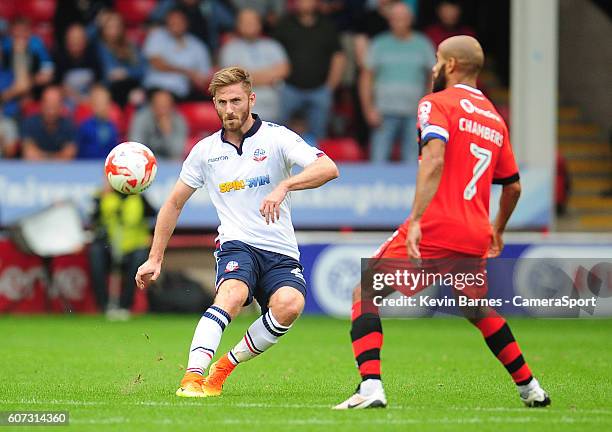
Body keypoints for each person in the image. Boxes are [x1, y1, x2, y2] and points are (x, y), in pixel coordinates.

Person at [334, 36, 551, 409]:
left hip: (436, 225)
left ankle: (370, 386)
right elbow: (513, 187)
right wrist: (497, 229)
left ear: (450, 65)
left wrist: (416, 219)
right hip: (474, 233)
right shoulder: (495, 119)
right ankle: (530, 387)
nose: (433, 68)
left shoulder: (435, 104)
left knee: (364, 292)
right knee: (476, 307)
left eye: (436, 61)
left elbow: (433, 160)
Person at [135, 67, 339, 398]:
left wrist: (285, 185)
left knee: (289, 305)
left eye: (236, 101)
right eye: (221, 102)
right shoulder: (204, 151)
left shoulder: (277, 137)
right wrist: (154, 258)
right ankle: (192, 377)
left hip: (279, 248)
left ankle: (223, 368)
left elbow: (328, 168)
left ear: (251, 99)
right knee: (231, 295)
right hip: (236, 243)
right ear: (214, 103)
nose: (229, 110)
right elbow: (173, 203)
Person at [360, 2, 435, 163]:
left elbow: (433, 76)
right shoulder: (379, 44)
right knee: (378, 162)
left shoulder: (423, 44)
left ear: (411, 19)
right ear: (389, 20)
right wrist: (369, 109)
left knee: (413, 162)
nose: (399, 22)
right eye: (395, 18)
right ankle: (376, 189)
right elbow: (366, 78)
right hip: (383, 112)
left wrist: (427, 108)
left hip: (414, 113)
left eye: (403, 18)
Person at [273, 0, 346, 139]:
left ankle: (317, 162)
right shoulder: (284, 24)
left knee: (319, 137)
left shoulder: (327, 26)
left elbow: (339, 57)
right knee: (280, 135)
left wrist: (330, 86)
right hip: (288, 89)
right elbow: (272, 53)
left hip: (320, 90)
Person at [89, 182, 156, 321]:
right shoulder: (103, 197)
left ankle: (125, 305)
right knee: (96, 254)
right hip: (111, 247)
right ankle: (104, 305)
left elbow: (153, 214)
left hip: (133, 248)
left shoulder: (139, 198)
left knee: (139, 260)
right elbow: (93, 219)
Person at [219, 9, 289, 123]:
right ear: (238, 25)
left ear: (260, 24)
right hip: (242, 114)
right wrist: (269, 75)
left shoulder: (273, 46)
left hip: (274, 110)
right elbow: (234, 78)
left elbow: (284, 70)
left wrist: (249, 76)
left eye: (253, 21)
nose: (249, 25)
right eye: (245, 22)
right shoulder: (229, 49)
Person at [143, 8, 212, 100]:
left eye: (178, 21)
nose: (174, 25)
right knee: (162, 98)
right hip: (155, 87)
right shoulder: (157, 36)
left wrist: (196, 79)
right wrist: (187, 72)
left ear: (186, 23)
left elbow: (203, 77)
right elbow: (157, 64)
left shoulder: (197, 45)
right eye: (171, 21)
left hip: (182, 92)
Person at [96, 12, 146, 107]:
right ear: (103, 29)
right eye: (110, 27)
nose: (114, 30)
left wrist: (126, 72)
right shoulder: (100, 47)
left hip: (133, 86)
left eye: (117, 26)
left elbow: (142, 70)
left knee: (139, 97)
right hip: (111, 89)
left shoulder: (131, 45)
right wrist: (96, 23)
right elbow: (111, 74)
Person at [128, 89, 187, 159]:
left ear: (171, 106)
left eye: (165, 106)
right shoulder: (141, 117)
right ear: (152, 105)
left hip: (169, 163)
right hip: (145, 161)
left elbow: (176, 152)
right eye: (158, 104)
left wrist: (167, 133)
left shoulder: (179, 121)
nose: (162, 109)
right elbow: (136, 146)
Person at [21, 86, 76, 160]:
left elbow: (68, 156)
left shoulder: (69, 125)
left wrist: (43, 157)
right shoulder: (30, 123)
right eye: (48, 105)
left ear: (61, 107)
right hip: (34, 170)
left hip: (61, 171)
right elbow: (29, 154)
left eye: (54, 106)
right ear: (41, 105)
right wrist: (56, 157)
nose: (51, 111)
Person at [54, 23, 103, 105]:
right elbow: (59, 86)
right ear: (67, 41)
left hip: (90, 100)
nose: (75, 42)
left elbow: (97, 83)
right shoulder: (59, 57)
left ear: (85, 41)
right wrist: (79, 100)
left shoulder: (93, 56)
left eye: (79, 39)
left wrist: (90, 99)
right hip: (67, 102)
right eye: (72, 39)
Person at [77, 85, 119, 159]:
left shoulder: (113, 127)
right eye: (98, 103)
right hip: (87, 166)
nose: (101, 107)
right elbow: (79, 152)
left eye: (104, 103)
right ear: (92, 105)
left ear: (109, 105)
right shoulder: (85, 127)